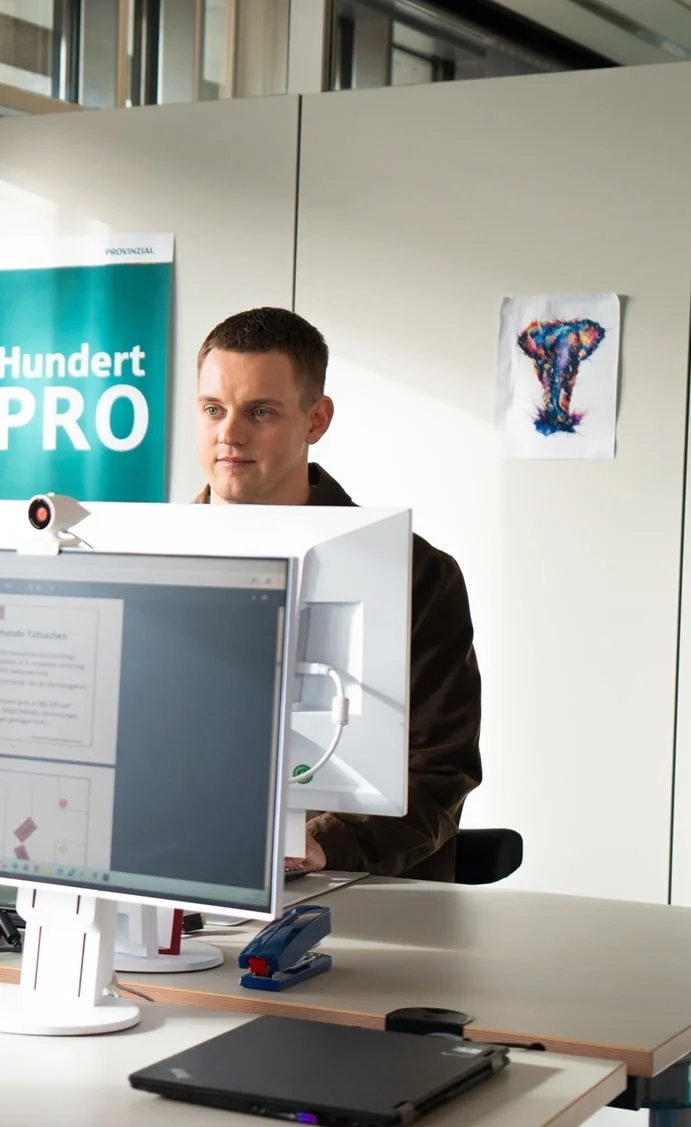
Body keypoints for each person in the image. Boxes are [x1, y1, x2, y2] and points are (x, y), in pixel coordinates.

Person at [191, 306, 482, 880]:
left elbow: (439, 771)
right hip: (179, 871)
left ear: (315, 420)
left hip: (351, 894)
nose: (229, 434)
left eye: (261, 411)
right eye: (212, 410)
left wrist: (323, 844)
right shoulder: (141, 556)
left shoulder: (414, 573)